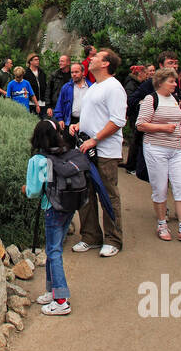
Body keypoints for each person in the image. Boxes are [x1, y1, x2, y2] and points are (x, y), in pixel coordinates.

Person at [136, 68, 181, 243]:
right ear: (160, 82)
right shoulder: (151, 99)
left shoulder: (175, 99)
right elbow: (141, 124)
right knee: (160, 188)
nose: (175, 84)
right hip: (155, 148)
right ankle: (162, 224)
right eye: (171, 81)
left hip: (176, 149)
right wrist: (162, 128)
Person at [75, 48, 126, 257]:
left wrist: (95, 139)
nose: (91, 58)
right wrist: (78, 126)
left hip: (105, 151)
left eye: (95, 57)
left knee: (108, 193)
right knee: (85, 192)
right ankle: (91, 236)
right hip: (87, 148)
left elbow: (117, 120)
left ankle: (113, 239)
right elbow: (94, 115)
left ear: (105, 63)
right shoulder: (94, 86)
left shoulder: (114, 87)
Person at [23, 119, 77, 316]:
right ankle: (51, 290)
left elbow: (34, 191)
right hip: (68, 206)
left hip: (51, 208)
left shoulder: (38, 161)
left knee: (53, 252)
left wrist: (25, 189)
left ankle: (61, 299)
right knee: (54, 248)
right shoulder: (65, 153)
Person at [52, 63, 91, 132]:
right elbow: (59, 104)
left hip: (87, 122)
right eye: (72, 72)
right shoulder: (66, 87)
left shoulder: (91, 87)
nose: (74, 74)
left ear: (83, 72)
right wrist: (60, 119)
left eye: (76, 72)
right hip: (70, 121)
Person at [23, 54, 46, 118]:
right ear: (30, 61)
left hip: (42, 102)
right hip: (31, 103)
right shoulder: (26, 74)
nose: (38, 61)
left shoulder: (42, 72)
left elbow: (45, 86)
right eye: (35, 60)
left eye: (38, 59)